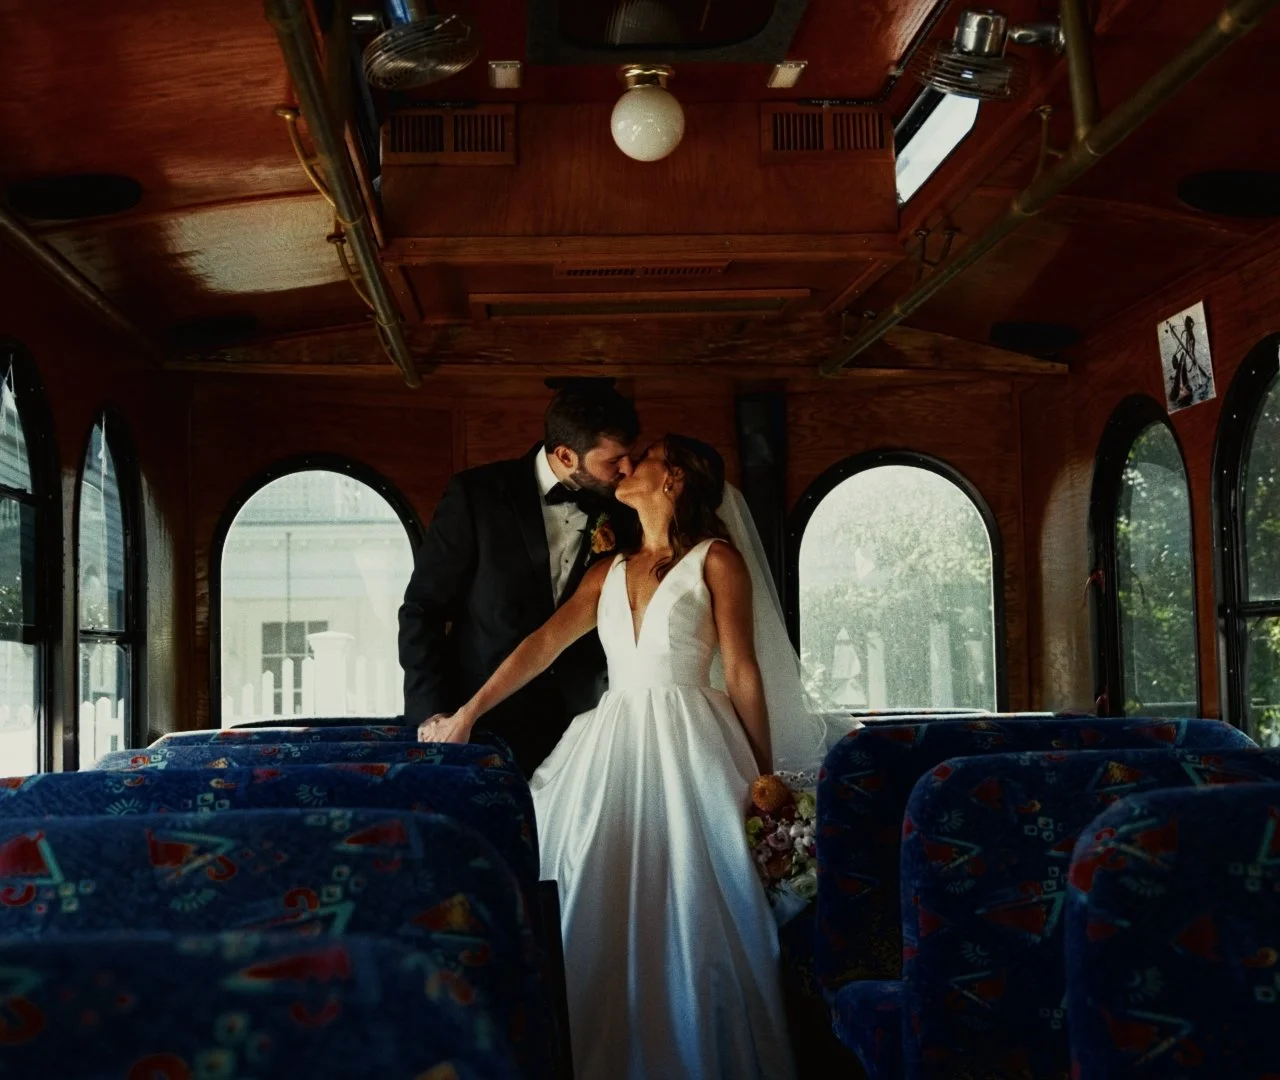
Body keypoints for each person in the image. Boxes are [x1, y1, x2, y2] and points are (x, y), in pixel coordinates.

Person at [420, 435, 797, 1080]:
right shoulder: (608, 569)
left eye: (642, 459)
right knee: (590, 876)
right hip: (613, 738)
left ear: (673, 478)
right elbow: (539, 647)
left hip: (694, 740)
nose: (626, 467)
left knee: (699, 898)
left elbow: (741, 669)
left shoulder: (716, 561)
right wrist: (468, 713)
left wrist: (765, 776)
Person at [398, 384, 639, 776]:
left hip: (586, 723)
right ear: (565, 455)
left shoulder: (623, 508)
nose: (629, 469)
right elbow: (422, 609)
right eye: (616, 459)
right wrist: (433, 714)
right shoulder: (477, 496)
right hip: (483, 720)